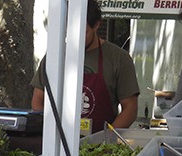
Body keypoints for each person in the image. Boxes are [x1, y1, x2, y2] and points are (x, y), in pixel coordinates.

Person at [30, 0, 140, 133]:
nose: (76, 37)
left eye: (83, 32)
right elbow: (38, 101)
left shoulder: (118, 58)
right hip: (59, 144)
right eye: (70, 31)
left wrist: (107, 139)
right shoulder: (54, 57)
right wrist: (52, 135)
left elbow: (130, 108)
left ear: (97, 25)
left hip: (100, 148)